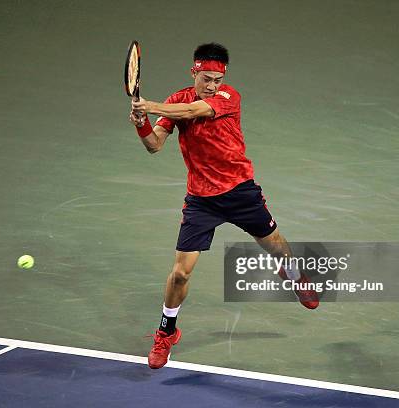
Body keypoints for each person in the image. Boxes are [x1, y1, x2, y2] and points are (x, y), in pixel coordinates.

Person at [129, 43, 318, 370]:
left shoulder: (228, 98)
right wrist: (141, 122)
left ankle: (293, 275)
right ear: (194, 72)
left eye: (218, 79)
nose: (213, 84)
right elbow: (154, 146)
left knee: (278, 250)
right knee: (179, 274)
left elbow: (192, 112)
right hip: (201, 201)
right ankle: (166, 332)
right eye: (207, 78)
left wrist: (149, 105)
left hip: (240, 192)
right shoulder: (175, 101)